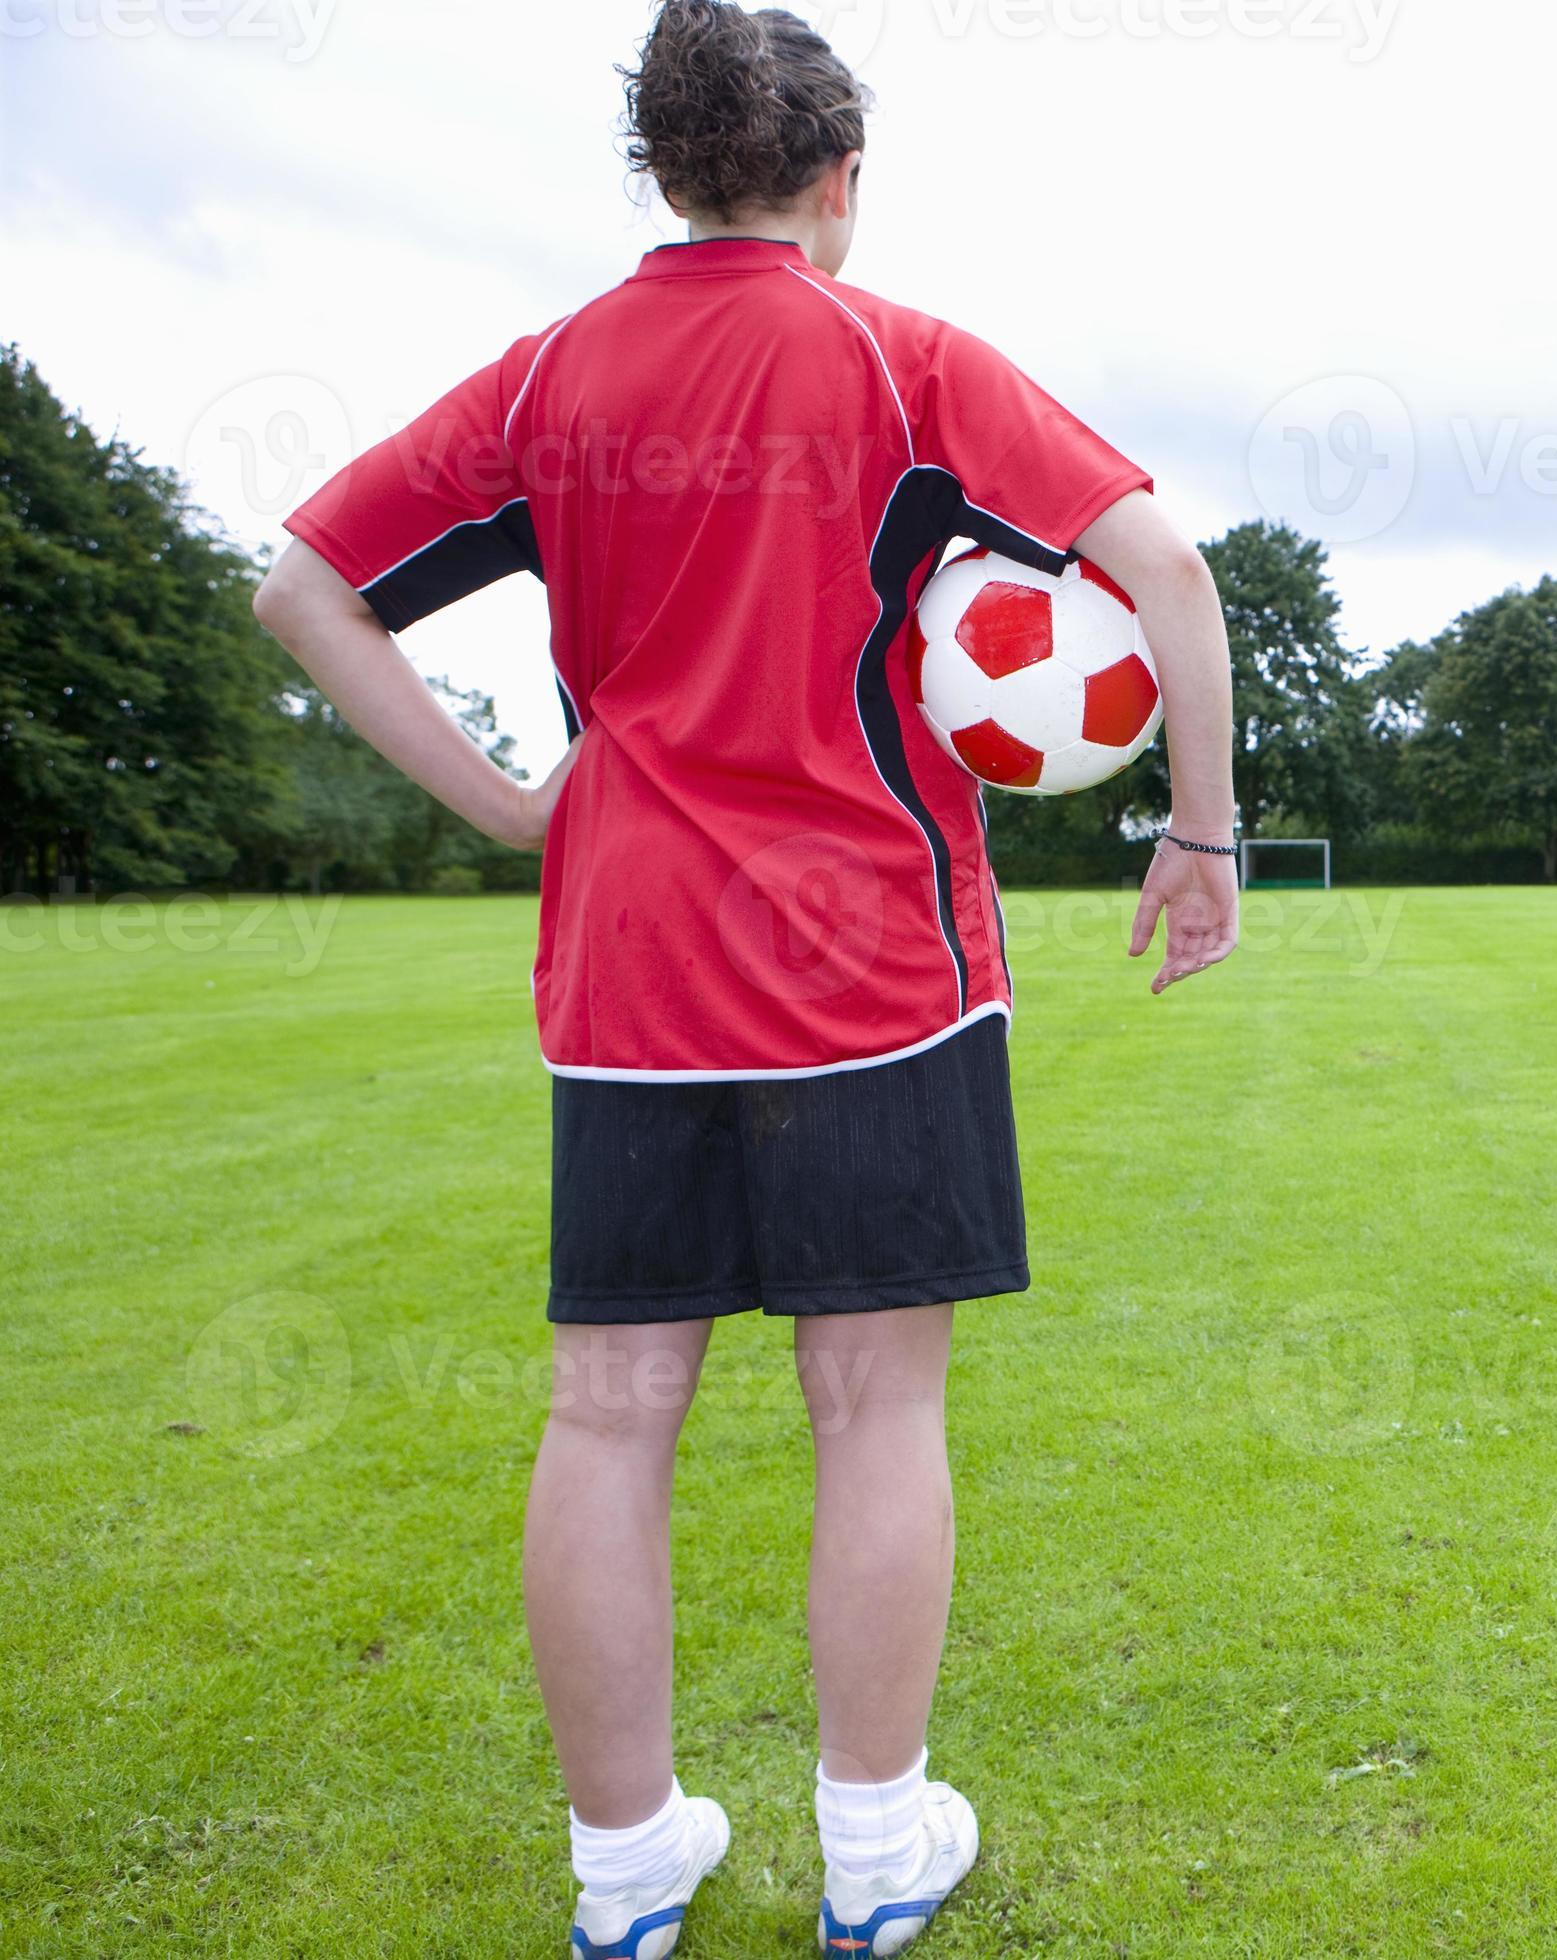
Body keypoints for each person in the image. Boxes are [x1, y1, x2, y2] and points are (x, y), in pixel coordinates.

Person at [250, 4, 1241, 1952]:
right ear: (840, 180)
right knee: (875, 1401)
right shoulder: (903, 359)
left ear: (665, 170)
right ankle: (876, 1851)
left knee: (609, 1412)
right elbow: (1170, 573)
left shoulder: (548, 380)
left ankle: (628, 1874)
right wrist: (1200, 833)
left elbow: (299, 579)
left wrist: (515, 805)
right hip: (883, 966)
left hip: (629, 969)